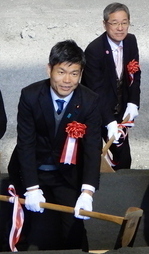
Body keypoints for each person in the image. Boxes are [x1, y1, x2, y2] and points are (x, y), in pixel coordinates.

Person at [7, 40, 102, 251]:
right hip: (30, 171)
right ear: (49, 69)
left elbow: (92, 148)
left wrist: (87, 192)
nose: (67, 80)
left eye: (74, 73)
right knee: (26, 227)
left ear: (81, 73)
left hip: (66, 174)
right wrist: (31, 188)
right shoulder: (30, 96)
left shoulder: (90, 101)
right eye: (61, 72)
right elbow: (26, 144)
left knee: (74, 227)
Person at [82, 2, 141, 170]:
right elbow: (96, 91)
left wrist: (133, 102)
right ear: (105, 24)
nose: (120, 28)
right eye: (114, 23)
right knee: (94, 158)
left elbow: (134, 73)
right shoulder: (94, 50)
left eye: (124, 22)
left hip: (119, 110)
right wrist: (109, 122)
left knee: (123, 159)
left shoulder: (130, 41)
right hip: (95, 112)